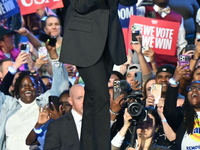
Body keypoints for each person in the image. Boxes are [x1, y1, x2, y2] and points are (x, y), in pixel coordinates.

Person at [59, 0, 138, 150]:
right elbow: (79, 5)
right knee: (101, 95)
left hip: (109, 38)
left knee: (93, 98)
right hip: (84, 40)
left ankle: (88, 146)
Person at [0, 42, 69, 150]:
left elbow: (61, 85)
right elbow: (2, 90)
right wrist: (13, 68)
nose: (28, 88)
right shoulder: (8, 106)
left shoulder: (44, 104)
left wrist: (54, 57)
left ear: (38, 88)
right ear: (18, 89)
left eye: (32, 85)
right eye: (23, 85)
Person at [136, 0, 187, 67]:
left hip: (170, 64)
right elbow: (132, 10)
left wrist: (182, 65)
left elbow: (181, 44)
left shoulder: (178, 17)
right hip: (147, 62)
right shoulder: (143, 11)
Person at [44, 84, 85, 150]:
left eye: (87, 98)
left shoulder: (98, 122)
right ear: (70, 101)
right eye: (79, 98)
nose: (84, 102)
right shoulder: (57, 126)